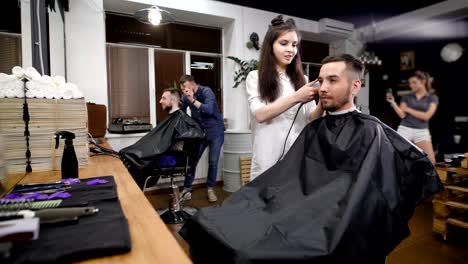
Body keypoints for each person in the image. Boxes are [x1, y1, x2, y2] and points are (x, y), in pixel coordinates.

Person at [179, 54, 442, 264]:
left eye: (333, 81)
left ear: (355, 86)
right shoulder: (316, 127)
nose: (323, 87)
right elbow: (293, 174)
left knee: (248, 253)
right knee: (207, 223)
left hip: (331, 220)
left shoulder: (371, 130)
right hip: (295, 206)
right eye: (321, 80)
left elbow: (403, 174)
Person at [246, 15, 323, 180]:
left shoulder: (303, 80)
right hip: (267, 156)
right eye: (284, 43)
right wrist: (297, 97)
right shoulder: (255, 77)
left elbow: (310, 120)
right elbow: (260, 115)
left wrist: (322, 100)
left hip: (296, 156)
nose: (291, 50)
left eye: (294, 45)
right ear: (270, 45)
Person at [179, 74, 224, 202]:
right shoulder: (186, 96)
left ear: (193, 84)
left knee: (213, 162)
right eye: (182, 90)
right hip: (200, 133)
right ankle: (187, 189)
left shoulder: (206, 91)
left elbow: (209, 110)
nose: (185, 91)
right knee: (192, 160)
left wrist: (192, 100)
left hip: (215, 131)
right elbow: (181, 112)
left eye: (186, 88)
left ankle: (210, 189)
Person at [386, 71, 438, 163]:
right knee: (394, 159)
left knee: (431, 162)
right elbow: (402, 114)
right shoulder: (406, 97)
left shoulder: (432, 98)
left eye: (414, 82)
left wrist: (409, 110)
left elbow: (426, 116)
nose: (411, 85)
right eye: (410, 83)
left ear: (423, 82)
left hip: (421, 131)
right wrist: (393, 103)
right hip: (405, 129)